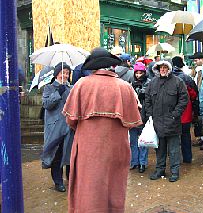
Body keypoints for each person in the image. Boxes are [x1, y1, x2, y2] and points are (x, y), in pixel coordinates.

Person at [63, 48, 142, 213]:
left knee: (88, 188)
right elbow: (133, 121)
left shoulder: (82, 84)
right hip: (116, 147)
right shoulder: (125, 87)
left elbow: (71, 120)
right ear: (111, 65)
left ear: (93, 66)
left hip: (88, 147)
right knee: (114, 186)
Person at [145, 60, 188, 182]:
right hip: (157, 122)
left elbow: (184, 99)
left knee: (174, 150)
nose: (163, 70)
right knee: (160, 149)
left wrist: (175, 114)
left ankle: (175, 171)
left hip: (172, 122)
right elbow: (147, 99)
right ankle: (160, 169)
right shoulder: (153, 82)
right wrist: (150, 114)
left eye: (165, 67)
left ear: (169, 69)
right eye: (161, 68)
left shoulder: (177, 82)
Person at [41, 62, 73, 192]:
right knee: (57, 155)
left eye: (67, 73)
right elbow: (46, 104)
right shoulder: (49, 88)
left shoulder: (71, 88)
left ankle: (71, 180)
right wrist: (57, 93)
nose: (64, 75)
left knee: (70, 154)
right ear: (57, 74)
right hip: (55, 128)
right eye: (62, 72)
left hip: (69, 127)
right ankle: (58, 181)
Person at [172, 56, 198, 164]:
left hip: (172, 113)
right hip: (185, 113)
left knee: (173, 138)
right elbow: (194, 94)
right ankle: (187, 158)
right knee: (186, 136)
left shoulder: (168, 78)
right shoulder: (187, 78)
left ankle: (175, 159)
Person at [129, 62, 150, 173]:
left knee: (143, 141)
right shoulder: (131, 84)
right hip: (132, 116)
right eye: (136, 73)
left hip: (144, 115)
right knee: (133, 141)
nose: (138, 75)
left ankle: (142, 163)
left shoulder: (149, 83)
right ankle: (134, 162)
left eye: (140, 73)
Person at [189, 52, 203, 150]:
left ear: (201, 59)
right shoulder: (197, 70)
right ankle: (202, 137)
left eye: (196, 60)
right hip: (198, 98)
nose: (195, 62)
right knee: (199, 119)